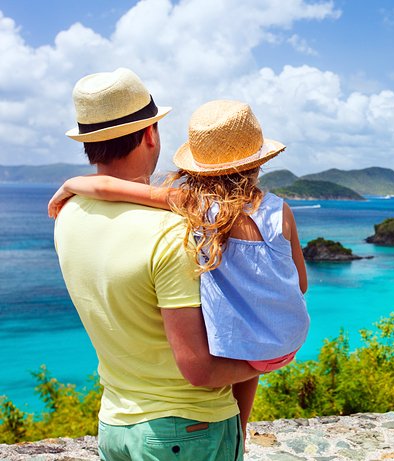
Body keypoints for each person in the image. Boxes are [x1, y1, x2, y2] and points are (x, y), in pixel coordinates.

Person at [50, 99, 310, 446]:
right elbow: (301, 285)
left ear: (196, 165)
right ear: (258, 162)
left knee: (236, 329)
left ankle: (237, 434)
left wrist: (73, 184)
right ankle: (239, 433)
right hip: (286, 343)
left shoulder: (196, 208)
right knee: (248, 323)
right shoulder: (280, 210)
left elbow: (113, 188)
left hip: (138, 411)